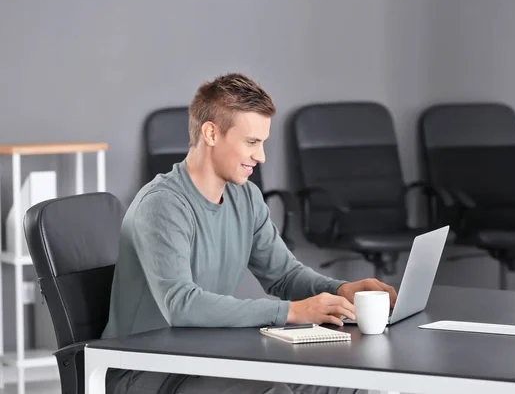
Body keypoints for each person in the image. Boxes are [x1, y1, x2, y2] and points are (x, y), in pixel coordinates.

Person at [102, 72, 398, 394]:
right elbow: (181, 304)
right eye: (251, 142)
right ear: (211, 133)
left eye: (263, 143)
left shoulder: (245, 197)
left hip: (208, 355)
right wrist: (290, 312)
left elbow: (283, 275)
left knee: (347, 382)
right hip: (148, 370)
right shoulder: (163, 205)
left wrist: (341, 290)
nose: (261, 156)